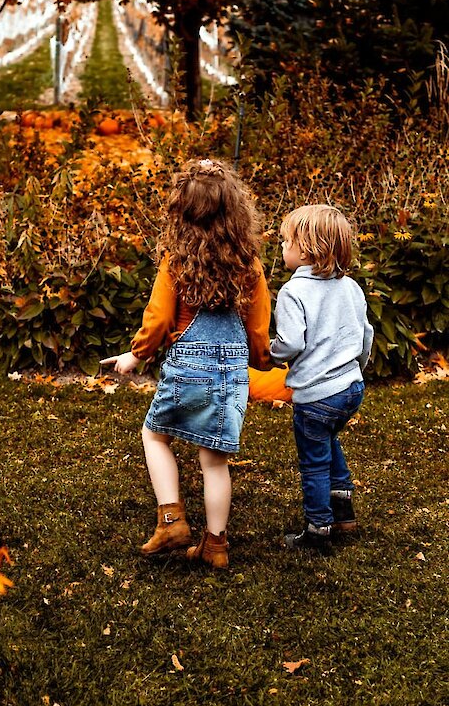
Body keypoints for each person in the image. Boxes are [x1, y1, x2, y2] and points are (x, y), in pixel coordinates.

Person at [103, 158, 272, 569]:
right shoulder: (248, 265)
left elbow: (159, 318)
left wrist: (138, 354)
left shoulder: (176, 262)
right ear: (235, 211)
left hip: (189, 365)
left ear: (181, 211)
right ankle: (216, 545)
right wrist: (263, 360)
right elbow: (259, 324)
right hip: (231, 369)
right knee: (214, 461)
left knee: (155, 436)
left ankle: (172, 520)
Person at [270, 204, 373, 551]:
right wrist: (357, 367)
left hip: (316, 396)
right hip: (350, 389)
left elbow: (291, 343)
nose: (282, 247)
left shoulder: (292, 292)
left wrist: (270, 351)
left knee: (313, 461)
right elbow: (365, 334)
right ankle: (344, 512)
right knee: (329, 439)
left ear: (306, 249)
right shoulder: (350, 288)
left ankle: (318, 530)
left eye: (286, 241)